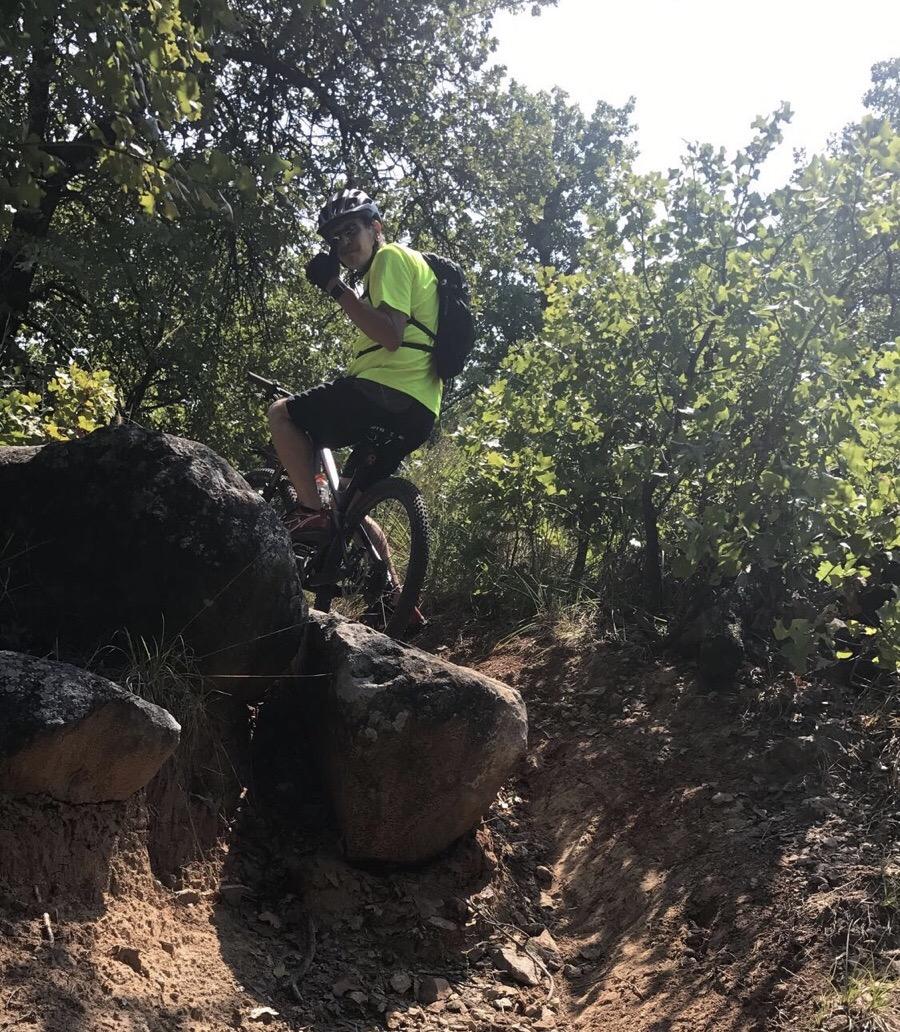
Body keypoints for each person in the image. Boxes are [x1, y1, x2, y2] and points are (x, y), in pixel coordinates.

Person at [267, 188, 441, 534]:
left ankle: (308, 510)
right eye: (335, 237)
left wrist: (334, 286)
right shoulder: (400, 269)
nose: (344, 243)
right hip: (418, 412)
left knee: (280, 414)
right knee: (347, 509)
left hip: (382, 393)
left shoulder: (390, 257)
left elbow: (390, 335)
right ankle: (391, 586)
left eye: (351, 231)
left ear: (376, 228)